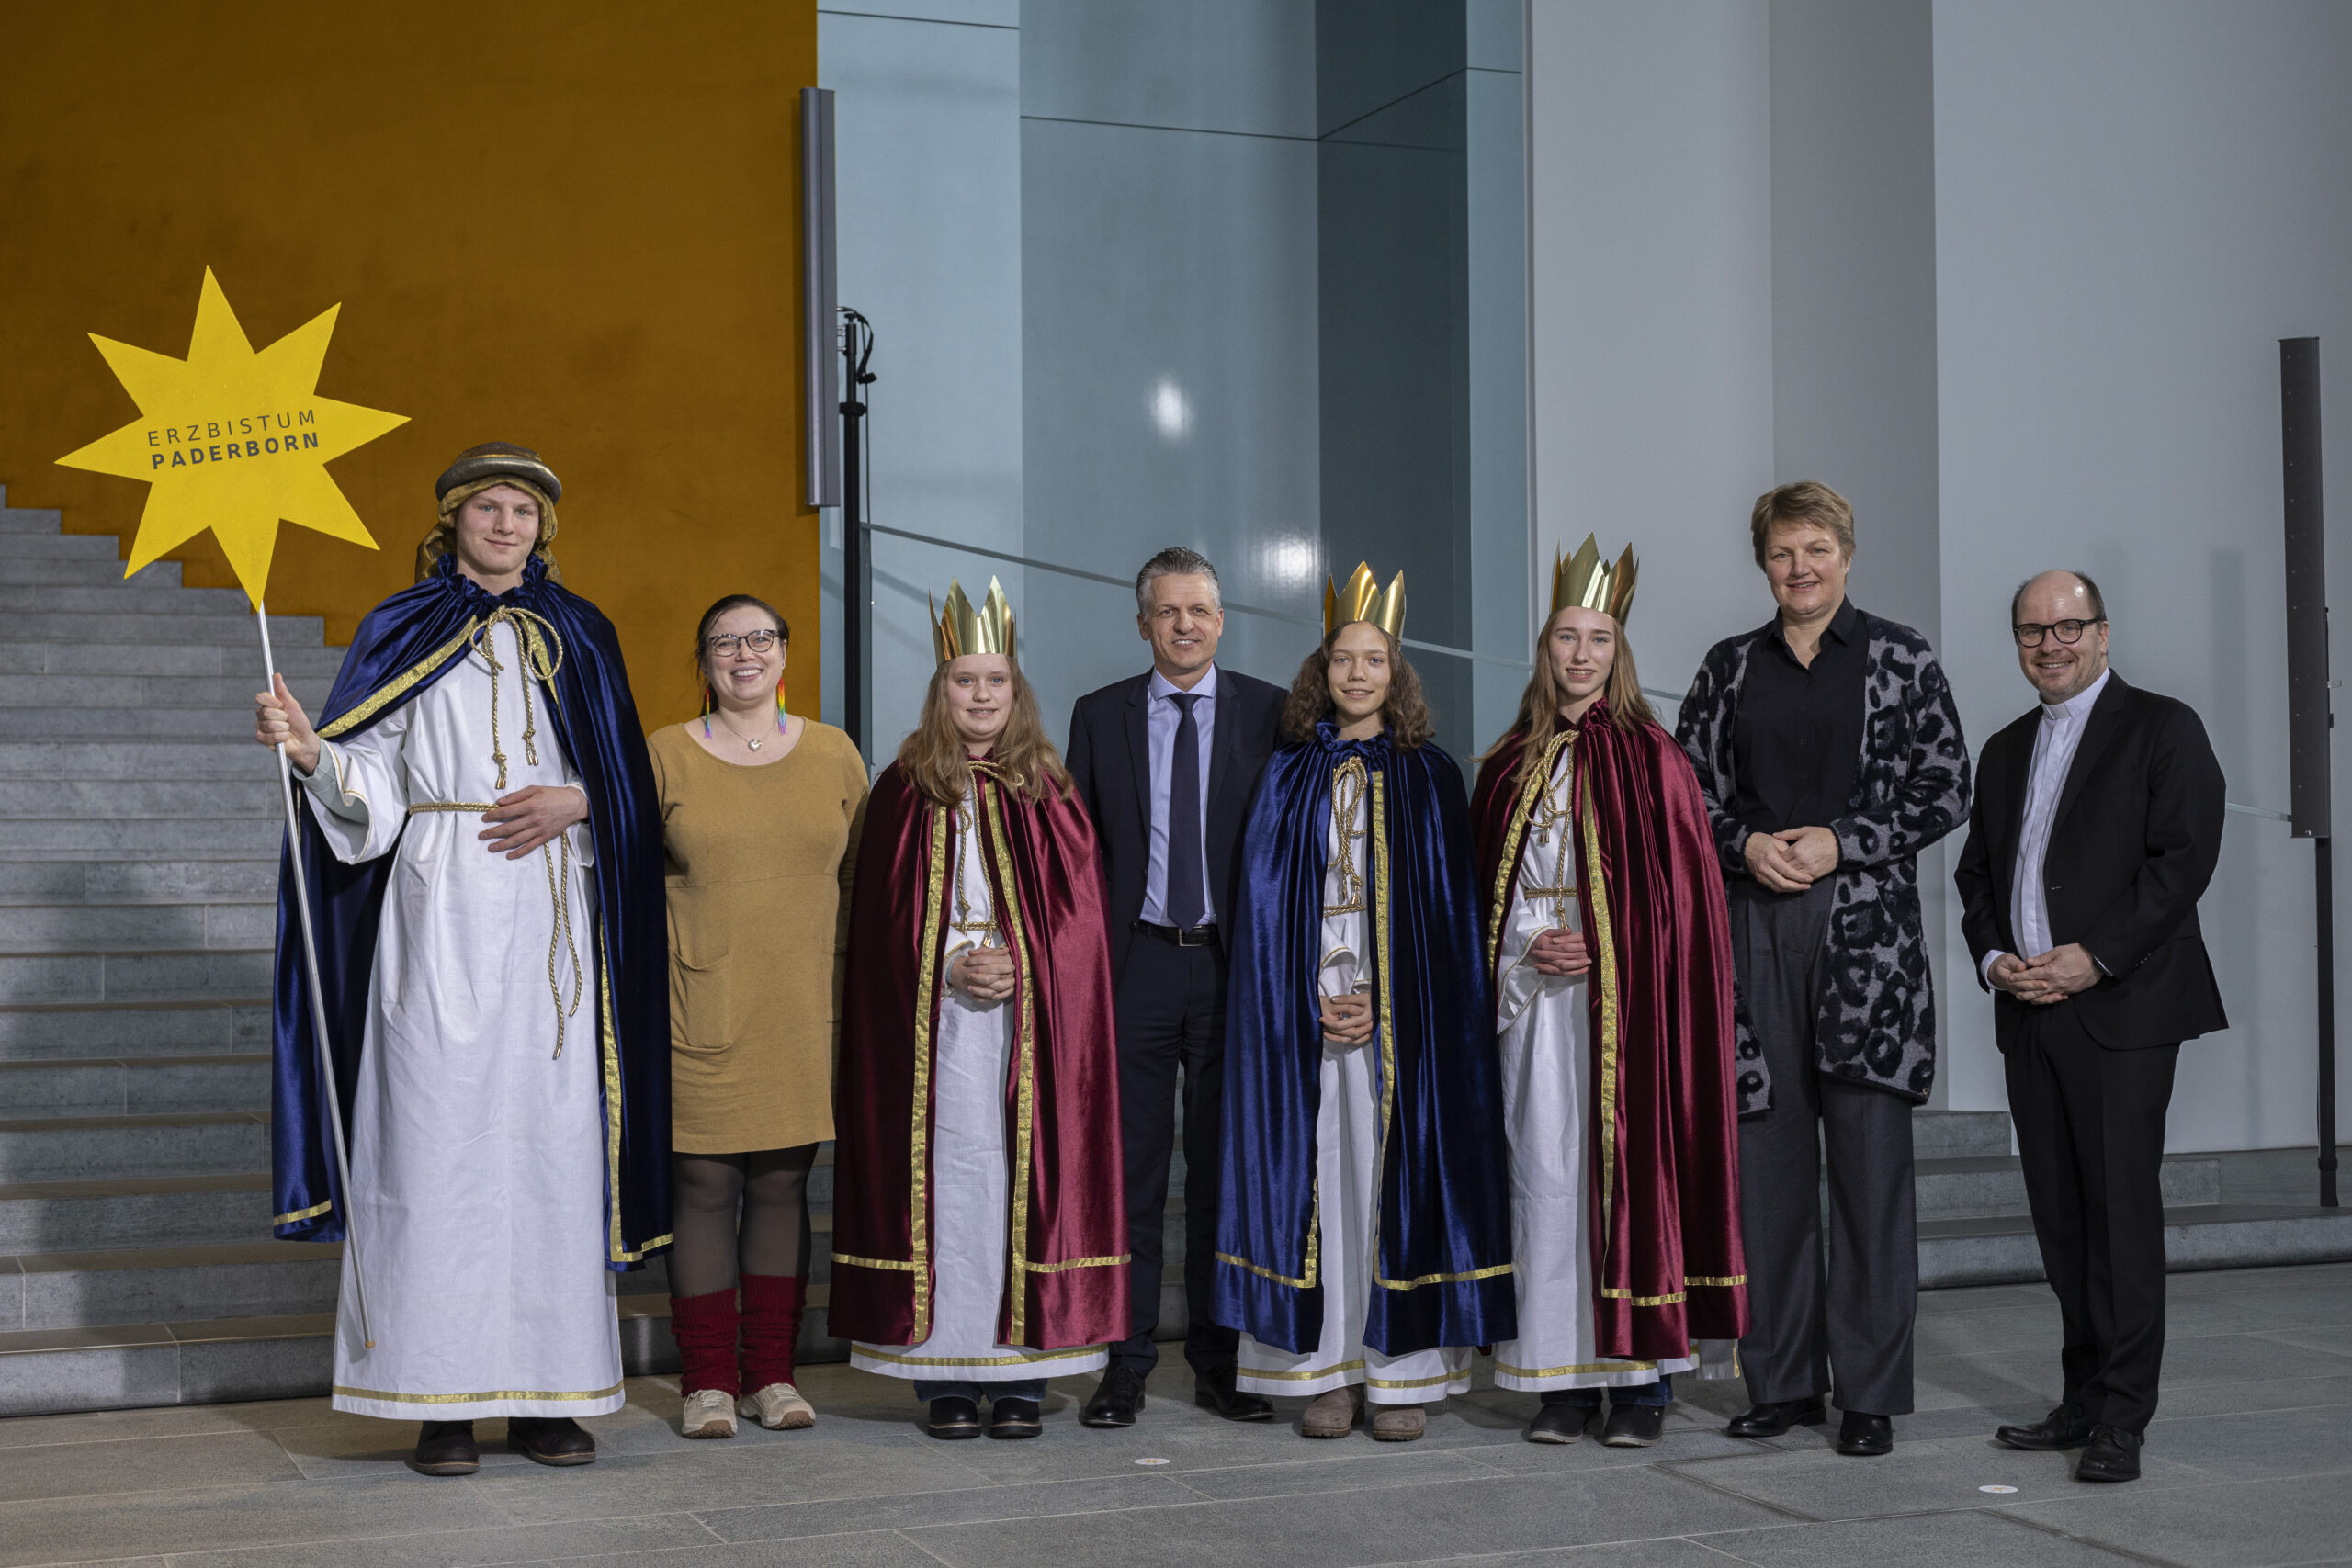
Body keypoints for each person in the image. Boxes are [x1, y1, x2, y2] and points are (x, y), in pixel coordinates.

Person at [255, 442, 669, 1476]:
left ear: (542, 529)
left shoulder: (581, 634)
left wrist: (580, 799)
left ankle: (547, 1394)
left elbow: (621, 778)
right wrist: (314, 753)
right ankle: (438, 1400)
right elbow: (375, 784)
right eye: (486, 507)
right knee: (432, 1148)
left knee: (548, 1153)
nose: (504, 524)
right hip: (437, 906)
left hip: (551, 919)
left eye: (521, 511)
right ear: (451, 523)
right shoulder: (400, 626)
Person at [1675, 481, 1968, 1458]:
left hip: (1865, 940)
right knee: (1767, 1168)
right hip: (1752, 927)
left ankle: (1872, 1391)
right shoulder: (1728, 668)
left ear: (1846, 551)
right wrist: (1743, 845)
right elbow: (1687, 794)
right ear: (1762, 564)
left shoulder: (1898, 656)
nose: (1799, 569)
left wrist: (1843, 842)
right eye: (1781, 554)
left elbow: (1946, 783)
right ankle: (1783, 1381)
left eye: (1815, 549)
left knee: (1871, 1174)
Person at [1214, 563, 1515, 1443]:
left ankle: (1400, 1373)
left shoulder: (1429, 778)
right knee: (1321, 1180)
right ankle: (1326, 1374)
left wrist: (1389, 998)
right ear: (1322, 668)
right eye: (1342, 659)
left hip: (1401, 1022)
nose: (1356, 674)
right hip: (1306, 1017)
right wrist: (1311, 994)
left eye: (1373, 660)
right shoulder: (1288, 775)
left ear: (1396, 672)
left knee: (1392, 1181)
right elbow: (1268, 910)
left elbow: (1443, 923)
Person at [829, 577, 1127, 1439]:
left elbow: (1081, 927)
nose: (982, 695)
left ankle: (1025, 1376)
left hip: (1026, 1031)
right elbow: (881, 924)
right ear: (940, 690)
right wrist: (950, 964)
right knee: (949, 1186)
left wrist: (1023, 964)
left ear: (1017, 690)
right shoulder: (903, 787)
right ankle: (945, 1375)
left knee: (1014, 1182)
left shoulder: (1051, 789)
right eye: (965, 681)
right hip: (937, 1032)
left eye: (996, 681)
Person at [1470, 537, 1747, 1447]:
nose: (1580, 655)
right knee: (1542, 1180)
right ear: (1543, 650)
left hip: (1622, 1017)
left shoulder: (1653, 760)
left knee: (1621, 1179)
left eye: (1597, 638)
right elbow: (1478, 896)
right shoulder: (1507, 763)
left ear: (1617, 651)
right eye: (1564, 638)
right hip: (1531, 1007)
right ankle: (1557, 1377)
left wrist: (1607, 943)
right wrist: (1526, 943)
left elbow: (1686, 916)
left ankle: (1637, 1385)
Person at [1954, 570, 2224, 1484]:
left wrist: (2091, 956)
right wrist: (1998, 961)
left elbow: (2181, 861)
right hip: (2028, 1009)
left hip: (2119, 1008)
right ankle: (2078, 1398)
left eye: (2068, 627)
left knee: (2118, 1214)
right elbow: (1976, 880)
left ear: (2103, 633)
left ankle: (2121, 1418)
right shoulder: (2001, 750)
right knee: (2062, 1219)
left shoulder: (2162, 729)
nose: (2050, 644)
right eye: (2032, 630)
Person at [1065, 547, 1286, 1427]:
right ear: (1143, 622)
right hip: (1140, 964)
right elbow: (1078, 860)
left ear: (1222, 620)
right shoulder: (1098, 714)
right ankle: (1123, 1360)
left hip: (1237, 966)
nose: (1185, 625)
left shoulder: (1270, 712)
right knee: (1132, 1171)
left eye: (1200, 610)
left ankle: (1220, 1357)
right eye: (1168, 611)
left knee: (1227, 1167)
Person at [649, 594, 869, 1439]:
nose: (744, 654)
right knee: (703, 1184)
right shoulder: (668, 753)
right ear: (703, 662)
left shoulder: (833, 753)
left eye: (760, 639)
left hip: (806, 997)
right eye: (724, 642)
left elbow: (862, 882)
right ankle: (706, 1380)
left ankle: (770, 1375)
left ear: (785, 654)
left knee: (783, 1182)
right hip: (700, 993)